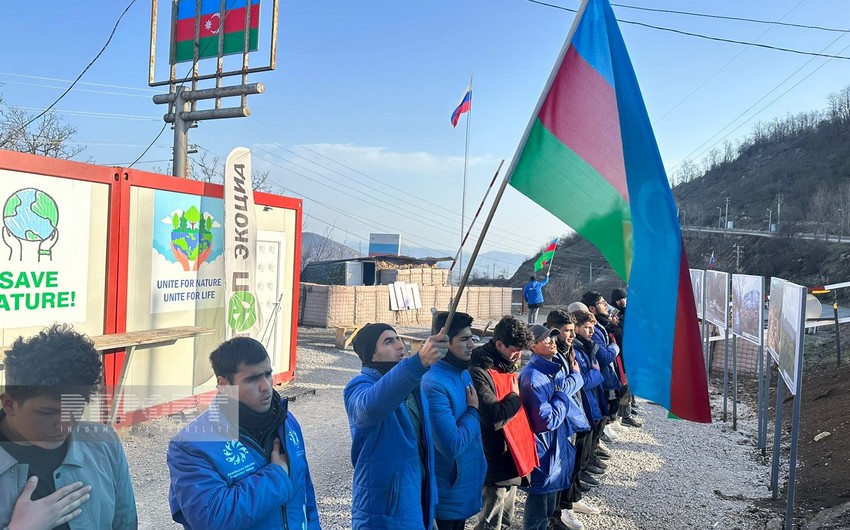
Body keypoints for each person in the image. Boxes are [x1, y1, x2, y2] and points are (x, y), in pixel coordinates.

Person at [167, 337, 320, 530]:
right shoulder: (191, 445)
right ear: (223, 385)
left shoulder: (287, 422)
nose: (266, 386)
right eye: (252, 379)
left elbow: (305, 497)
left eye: (268, 374)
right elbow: (211, 518)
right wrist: (276, 476)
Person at [0, 324, 137, 530]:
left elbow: (125, 524)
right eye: (47, 412)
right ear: (9, 404)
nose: (64, 426)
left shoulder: (105, 444)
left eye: (74, 410)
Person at [344, 323, 448, 530]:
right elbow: (370, 407)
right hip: (384, 514)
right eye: (388, 342)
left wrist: (430, 502)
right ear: (372, 356)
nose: (400, 345)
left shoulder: (413, 388)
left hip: (417, 502)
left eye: (397, 338)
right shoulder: (358, 387)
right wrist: (418, 362)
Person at [468, 315, 537, 530]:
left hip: (511, 457)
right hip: (495, 459)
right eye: (515, 350)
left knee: (506, 519)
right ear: (499, 344)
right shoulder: (479, 370)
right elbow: (494, 417)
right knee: (490, 522)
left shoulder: (505, 365)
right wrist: (516, 397)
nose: (518, 357)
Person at [423, 312, 487, 530]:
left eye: (472, 338)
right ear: (444, 343)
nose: (471, 344)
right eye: (463, 339)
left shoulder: (462, 372)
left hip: (466, 483)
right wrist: (473, 411)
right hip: (449, 490)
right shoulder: (433, 384)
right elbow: (450, 446)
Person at [519, 325, 584, 530]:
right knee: (538, 508)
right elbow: (547, 420)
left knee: (548, 506)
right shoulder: (533, 378)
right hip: (544, 450)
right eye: (546, 339)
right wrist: (562, 396)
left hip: (555, 447)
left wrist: (574, 377)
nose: (553, 342)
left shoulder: (551, 369)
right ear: (533, 345)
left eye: (553, 338)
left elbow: (563, 388)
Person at [546, 310, 601, 530]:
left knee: (574, 464)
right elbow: (562, 388)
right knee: (560, 470)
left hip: (575, 416)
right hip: (563, 420)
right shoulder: (552, 354)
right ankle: (559, 512)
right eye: (567, 331)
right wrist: (578, 377)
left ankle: (567, 505)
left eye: (571, 330)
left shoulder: (568, 350)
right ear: (554, 330)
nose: (571, 335)